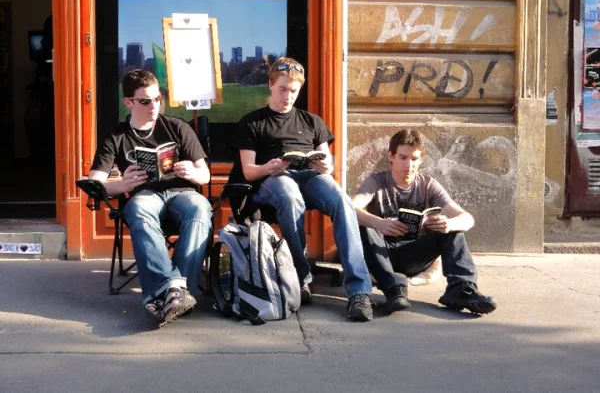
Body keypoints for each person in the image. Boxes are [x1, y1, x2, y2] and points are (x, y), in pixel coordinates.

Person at [230, 57, 374, 322]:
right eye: (283, 89)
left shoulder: (311, 121)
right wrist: (269, 167)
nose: (288, 96)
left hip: (309, 175)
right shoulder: (253, 122)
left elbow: (328, 162)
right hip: (274, 178)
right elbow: (248, 170)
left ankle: (359, 291)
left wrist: (326, 166)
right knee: (289, 195)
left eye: (293, 91)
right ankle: (300, 276)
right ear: (271, 85)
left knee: (342, 201)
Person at [88, 69, 212, 327]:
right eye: (145, 100)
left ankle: (168, 294)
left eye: (158, 98)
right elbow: (95, 183)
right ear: (128, 102)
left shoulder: (177, 127)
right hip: (144, 195)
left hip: (182, 192)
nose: (154, 105)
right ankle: (176, 294)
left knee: (200, 209)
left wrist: (192, 172)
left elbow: (205, 175)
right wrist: (122, 184)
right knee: (140, 211)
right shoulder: (117, 135)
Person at [352, 129, 497, 315]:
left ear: (421, 159)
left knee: (453, 229)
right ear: (391, 156)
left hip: (416, 255)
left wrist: (449, 224)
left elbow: (467, 219)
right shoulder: (376, 182)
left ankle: (461, 289)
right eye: (403, 157)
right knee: (364, 226)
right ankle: (393, 289)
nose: (409, 164)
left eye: (414, 159)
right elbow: (350, 209)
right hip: (382, 253)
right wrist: (379, 223)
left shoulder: (428, 185)